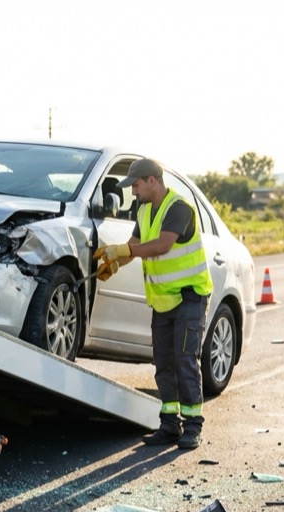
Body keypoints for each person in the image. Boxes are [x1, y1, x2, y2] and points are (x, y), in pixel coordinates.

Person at [94, 158, 213, 449]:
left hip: (190, 296)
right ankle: (170, 425)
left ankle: (192, 427)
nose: (132, 192)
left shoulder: (179, 209)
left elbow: (162, 245)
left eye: (135, 185)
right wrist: (115, 261)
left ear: (151, 180)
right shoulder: (144, 210)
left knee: (185, 361)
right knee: (163, 363)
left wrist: (125, 250)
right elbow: (134, 245)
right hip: (163, 299)